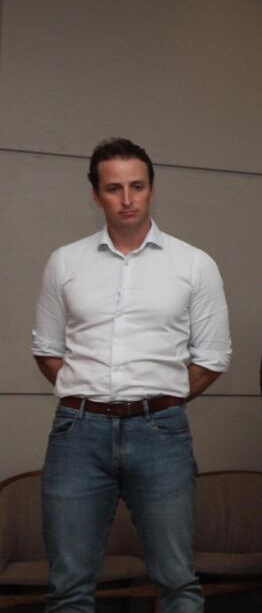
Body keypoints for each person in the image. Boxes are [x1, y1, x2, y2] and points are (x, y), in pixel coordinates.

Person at [32, 137, 232, 612]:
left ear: (152, 190)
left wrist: (161, 401)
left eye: (137, 186)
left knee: (178, 582)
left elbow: (212, 358)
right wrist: (92, 395)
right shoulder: (65, 262)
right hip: (77, 434)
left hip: (160, 433)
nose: (127, 199)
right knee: (68, 589)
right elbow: (47, 350)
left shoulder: (194, 264)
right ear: (96, 194)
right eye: (114, 188)